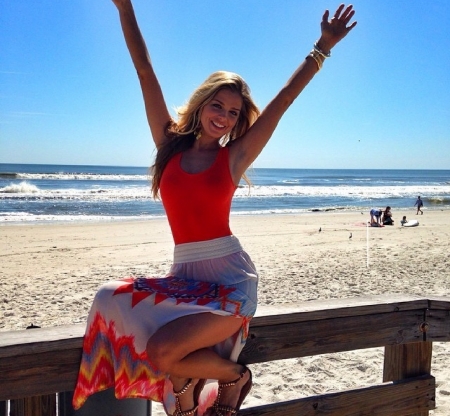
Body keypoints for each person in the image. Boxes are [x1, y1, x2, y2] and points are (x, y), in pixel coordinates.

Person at [72, 2, 357, 415]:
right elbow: (145, 72)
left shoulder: (234, 158)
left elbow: (284, 100)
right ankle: (218, 381)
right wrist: (124, 8)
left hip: (230, 285)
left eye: (233, 112)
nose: (223, 117)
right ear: (203, 103)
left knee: (162, 352)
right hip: (185, 277)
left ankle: (229, 378)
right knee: (109, 296)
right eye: (217, 106)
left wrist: (322, 47)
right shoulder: (169, 146)